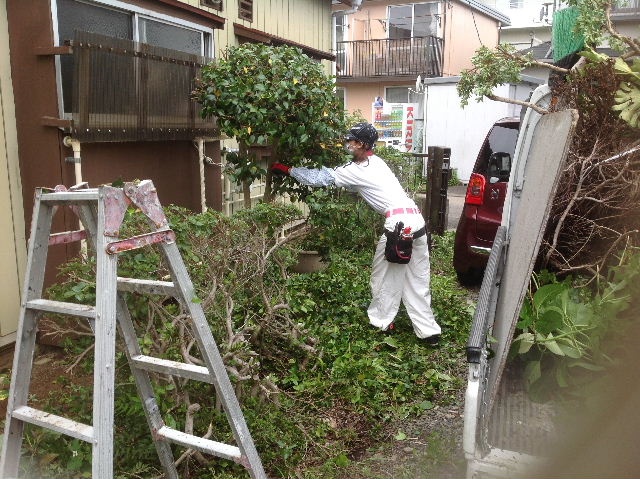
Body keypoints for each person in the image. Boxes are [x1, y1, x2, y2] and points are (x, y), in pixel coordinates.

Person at [271, 123, 441, 345]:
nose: (347, 143)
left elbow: (319, 179)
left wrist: (287, 170)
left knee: (383, 276)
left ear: (361, 144)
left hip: (398, 226)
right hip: (417, 222)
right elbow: (357, 187)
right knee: (417, 278)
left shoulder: (356, 170)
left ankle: (382, 322)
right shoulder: (377, 163)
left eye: (350, 140)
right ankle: (429, 333)